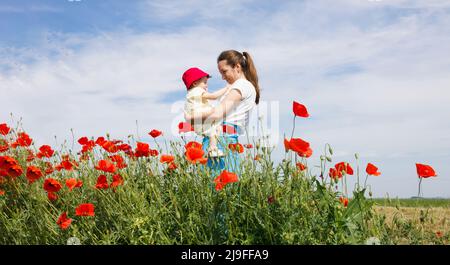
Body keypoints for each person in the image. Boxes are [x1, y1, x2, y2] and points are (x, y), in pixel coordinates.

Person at [184, 50, 260, 175]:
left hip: (221, 139)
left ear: (237, 67)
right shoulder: (245, 86)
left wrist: (189, 118)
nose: (223, 77)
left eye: (224, 72)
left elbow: (217, 114)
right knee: (225, 186)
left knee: (215, 186)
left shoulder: (241, 86)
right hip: (225, 138)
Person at [182, 67, 231, 157]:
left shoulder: (190, 94)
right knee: (214, 129)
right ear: (195, 83)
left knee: (215, 130)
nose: (206, 85)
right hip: (202, 117)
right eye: (204, 83)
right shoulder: (197, 90)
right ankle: (212, 149)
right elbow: (214, 96)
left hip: (198, 121)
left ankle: (213, 148)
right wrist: (227, 88)